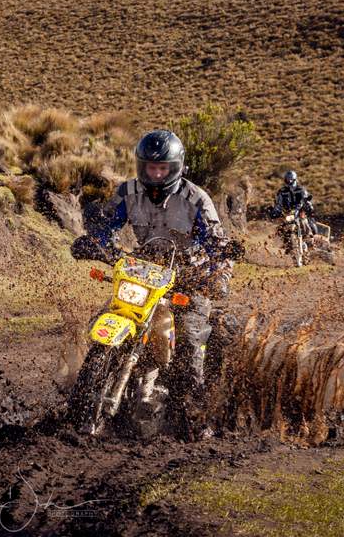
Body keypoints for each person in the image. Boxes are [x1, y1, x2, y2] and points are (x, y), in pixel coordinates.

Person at [71, 129, 236, 431]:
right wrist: (94, 242)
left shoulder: (196, 199)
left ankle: (191, 416)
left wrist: (216, 275)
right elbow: (107, 223)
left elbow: (217, 244)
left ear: (176, 167)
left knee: (189, 336)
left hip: (189, 276)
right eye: (150, 167)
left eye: (162, 168)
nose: (156, 174)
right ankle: (94, 384)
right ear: (141, 166)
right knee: (109, 314)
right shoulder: (127, 192)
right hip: (144, 271)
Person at [269, 170, 318, 237]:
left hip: (300, 211)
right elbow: (278, 203)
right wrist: (275, 211)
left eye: (290, 180)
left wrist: (309, 206)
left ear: (294, 179)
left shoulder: (301, 189)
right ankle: (281, 242)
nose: (289, 181)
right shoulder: (282, 191)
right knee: (280, 228)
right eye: (287, 180)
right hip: (288, 213)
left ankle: (310, 236)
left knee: (306, 220)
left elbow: (306, 199)